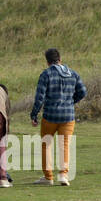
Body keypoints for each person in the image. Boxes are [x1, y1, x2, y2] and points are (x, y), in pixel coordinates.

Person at [29, 48, 86, 186]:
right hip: (68, 116)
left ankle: (48, 177)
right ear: (60, 59)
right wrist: (71, 101)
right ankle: (63, 175)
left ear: (47, 61)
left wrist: (34, 114)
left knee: (46, 145)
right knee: (64, 145)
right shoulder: (73, 73)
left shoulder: (46, 74)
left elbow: (40, 97)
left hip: (50, 115)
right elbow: (82, 92)